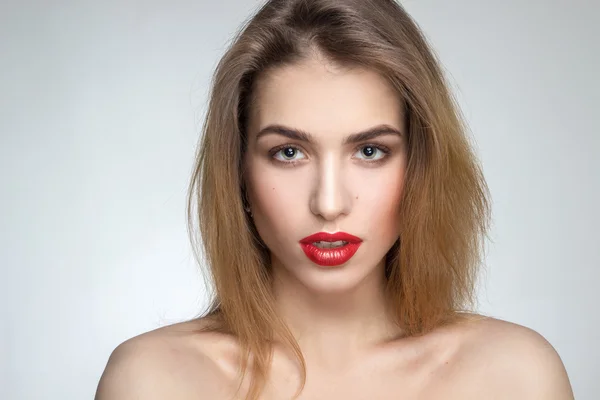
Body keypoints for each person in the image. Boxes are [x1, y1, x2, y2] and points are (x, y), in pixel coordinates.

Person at [95, 0, 574, 398]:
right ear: (239, 171)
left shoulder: (514, 378)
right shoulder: (155, 381)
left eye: (370, 151)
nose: (328, 203)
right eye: (288, 152)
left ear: (420, 167)